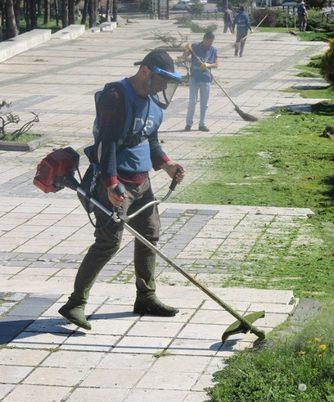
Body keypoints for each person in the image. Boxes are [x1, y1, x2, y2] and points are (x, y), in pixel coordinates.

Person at [58, 49, 185, 330]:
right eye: (161, 80)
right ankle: (75, 303)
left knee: (150, 234)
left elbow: (150, 140)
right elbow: (107, 145)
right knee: (109, 241)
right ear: (145, 72)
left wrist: (167, 165)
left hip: (142, 183)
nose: (164, 87)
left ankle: (146, 297)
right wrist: (111, 183)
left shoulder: (152, 102)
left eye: (167, 83)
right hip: (115, 181)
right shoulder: (116, 97)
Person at [182, 31, 218, 132]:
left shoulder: (213, 50)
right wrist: (186, 49)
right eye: (209, 41)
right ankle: (188, 124)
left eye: (212, 42)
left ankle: (202, 124)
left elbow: (216, 64)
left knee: (204, 103)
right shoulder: (195, 46)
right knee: (192, 101)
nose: (210, 44)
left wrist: (207, 65)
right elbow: (184, 56)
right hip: (194, 77)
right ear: (204, 39)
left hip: (206, 78)